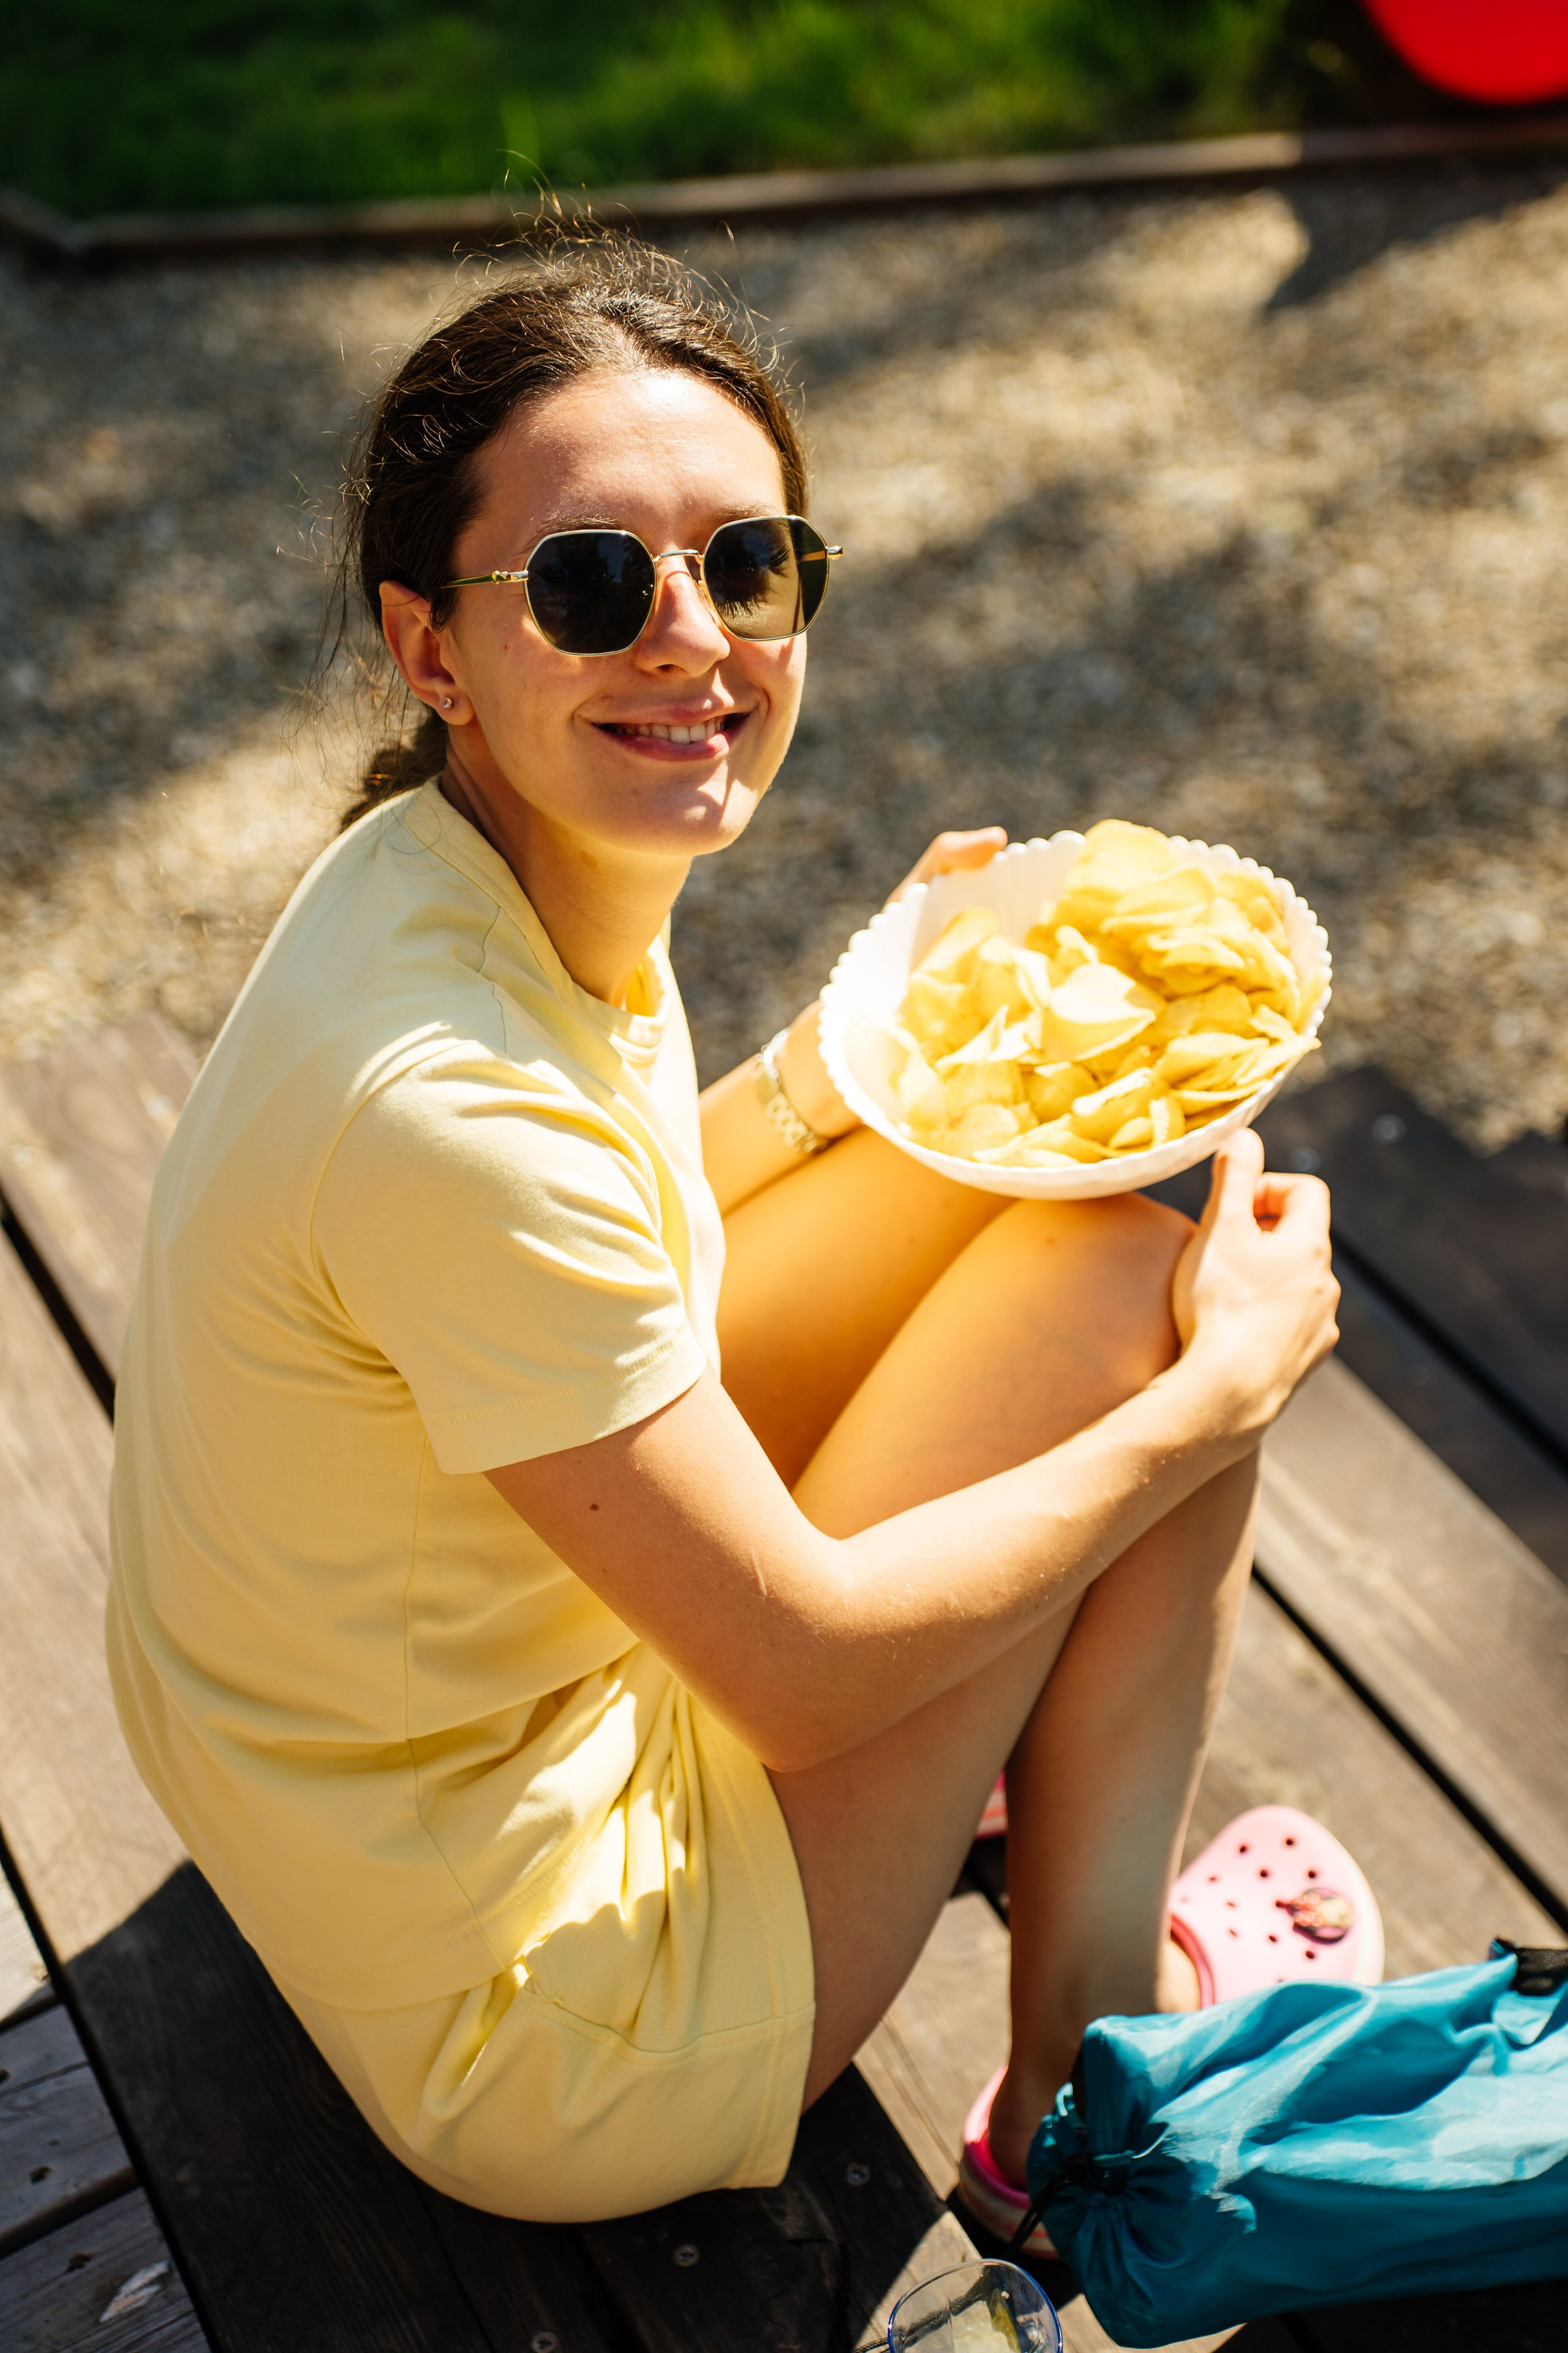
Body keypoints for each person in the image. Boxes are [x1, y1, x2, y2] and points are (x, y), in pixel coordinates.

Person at [106, 239, 1355, 2233]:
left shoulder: (454, 870)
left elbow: (590, 1254)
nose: (694, 642)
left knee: (1072, 1150)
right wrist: (1219, 1402)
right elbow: (797, 1669)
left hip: (357, 1770)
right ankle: (1088, 2094)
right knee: (1168, 1276)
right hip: (542, 2023)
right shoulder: (447, 1115)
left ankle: (1026, 1746)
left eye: (749, 566)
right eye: (596, 583)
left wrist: (839, 1060)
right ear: (433, 644)